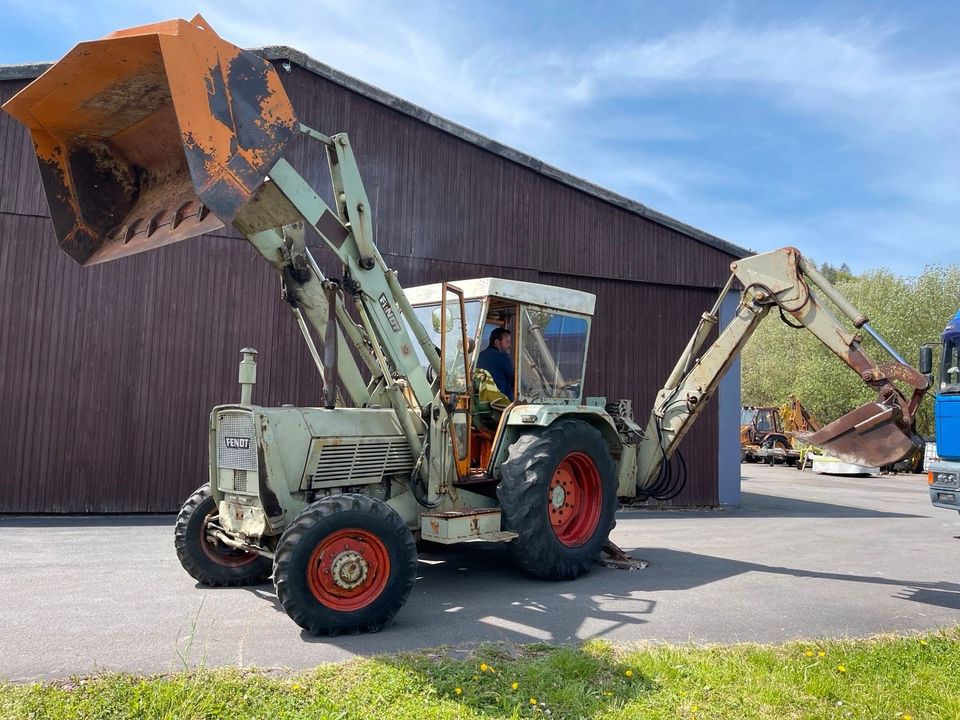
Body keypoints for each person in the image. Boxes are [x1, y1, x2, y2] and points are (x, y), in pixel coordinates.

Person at [477, 327, 514, 400]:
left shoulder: (479, 356)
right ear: (497, 342)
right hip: (502, 402)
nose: (509, 346)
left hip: (484, 400)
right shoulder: (502, 356)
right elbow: (514, 378)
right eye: (507, 342)